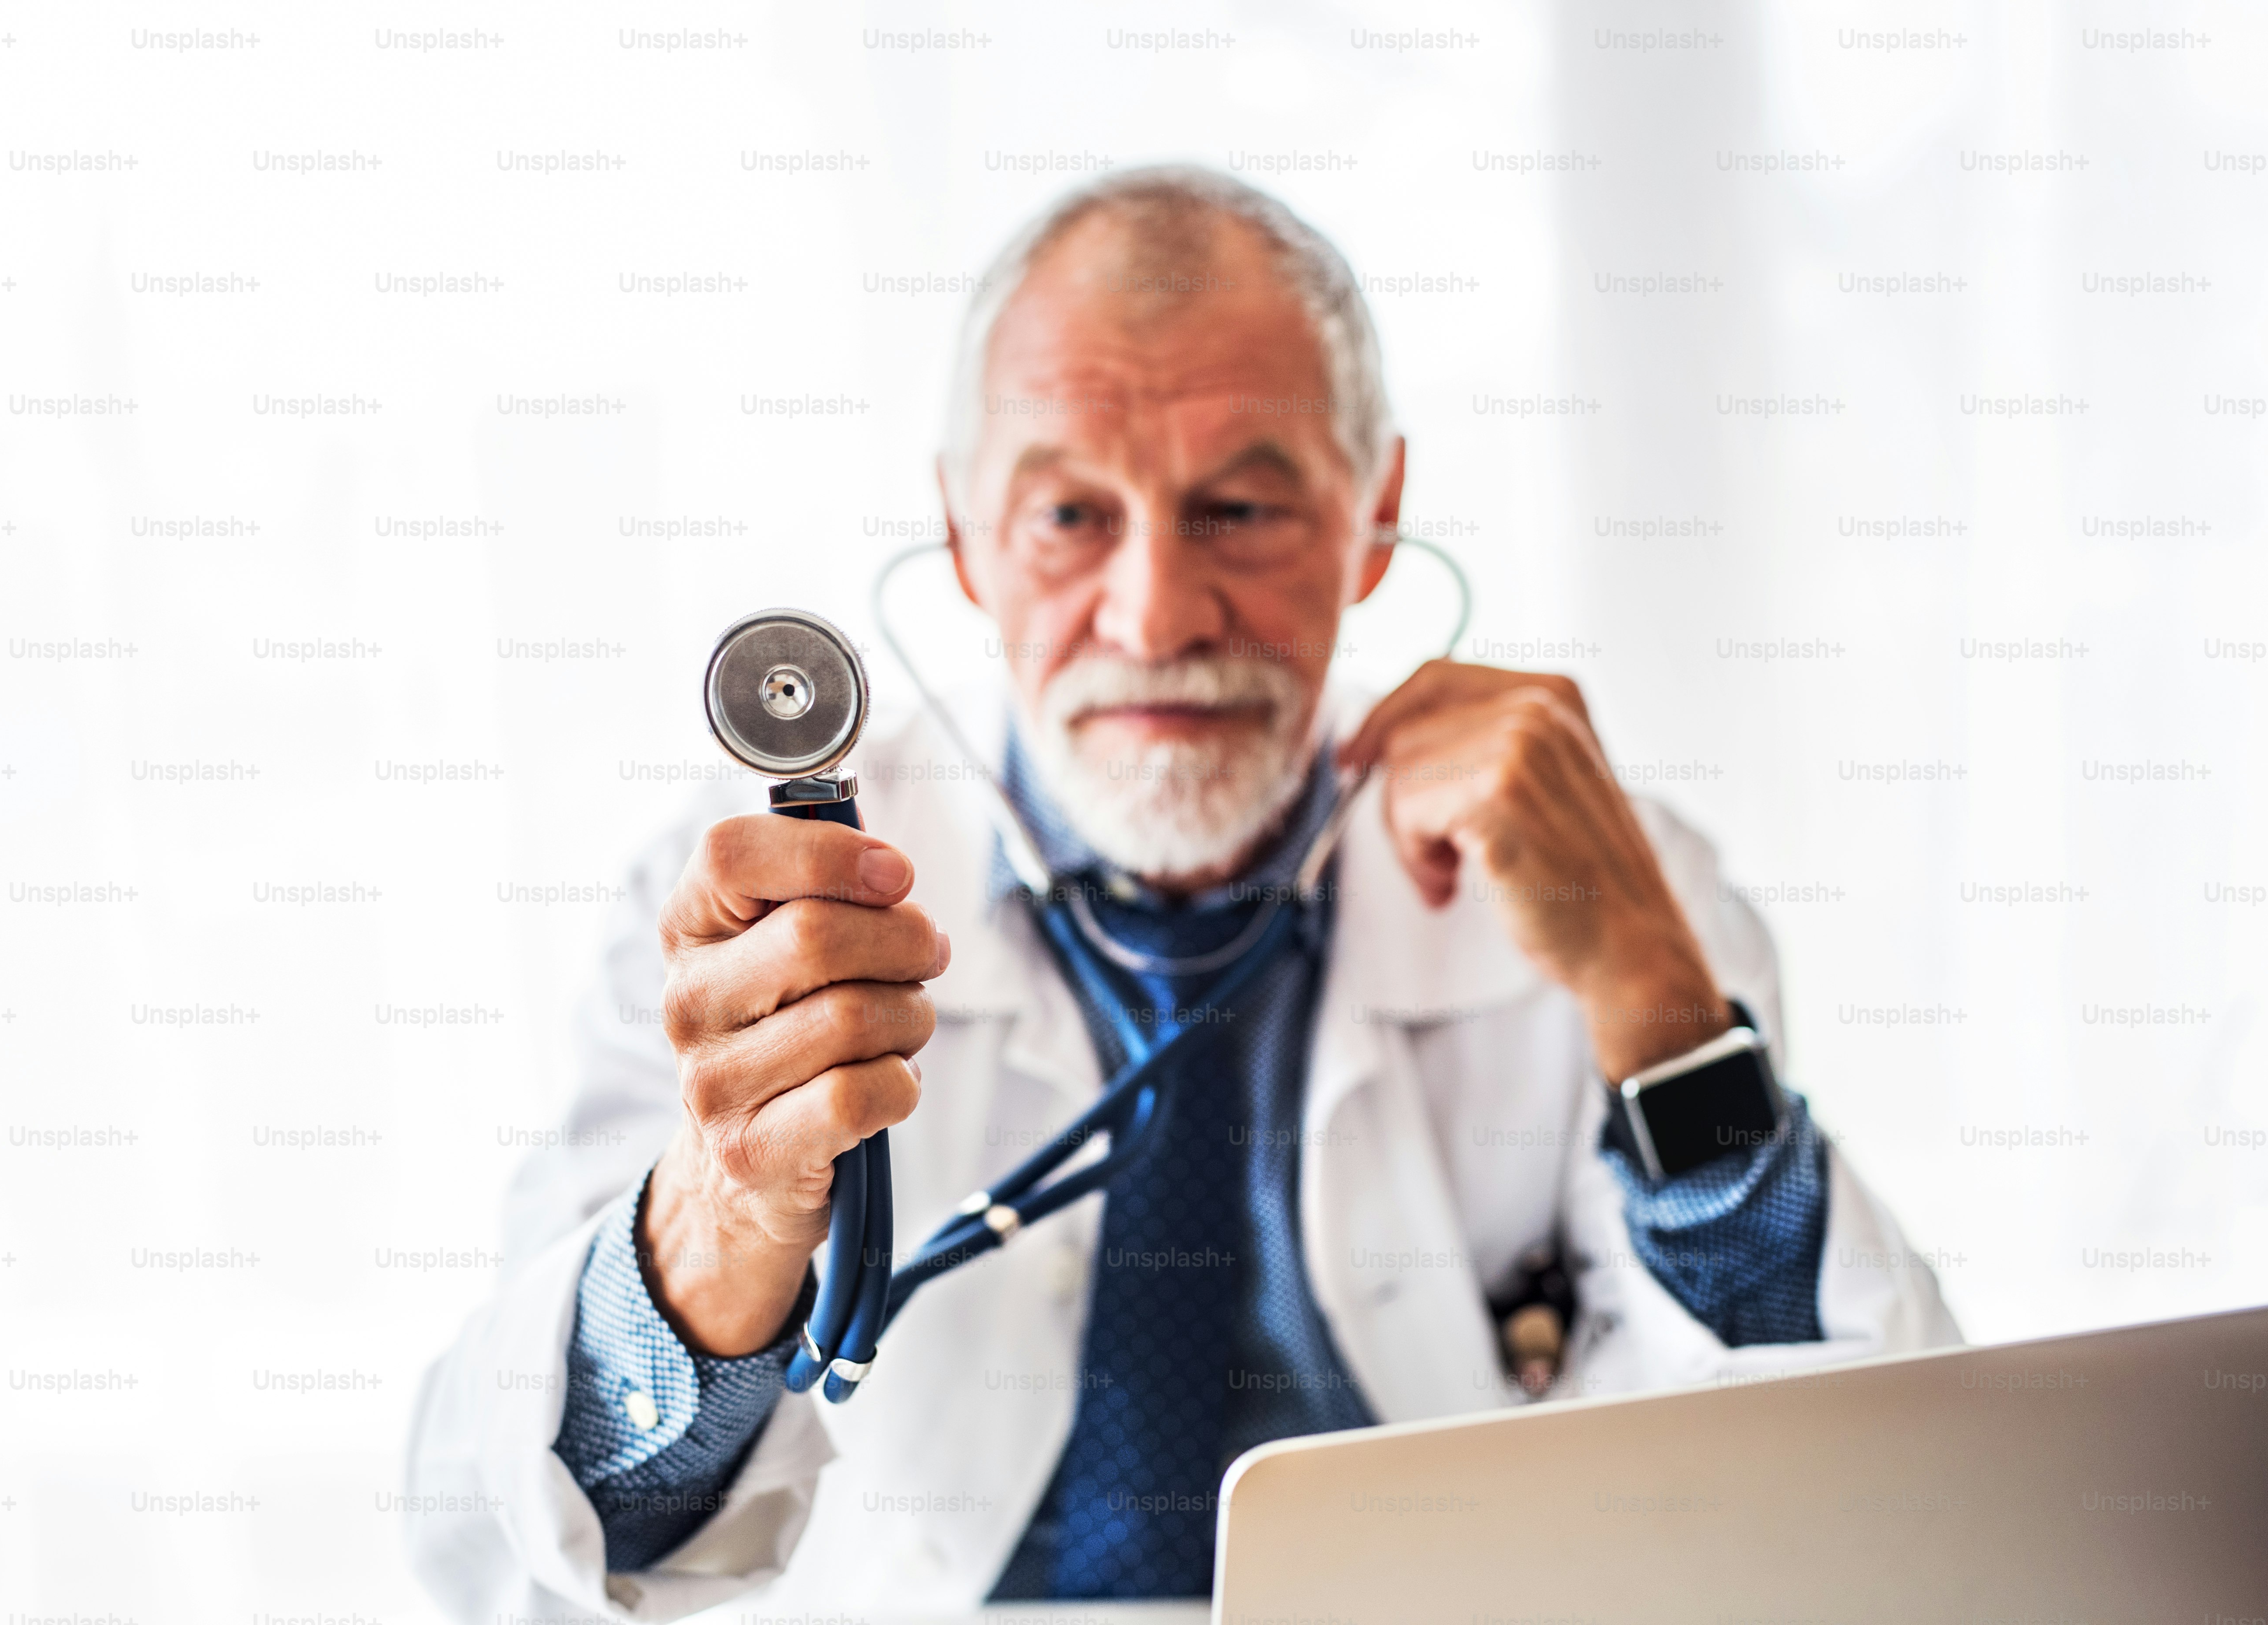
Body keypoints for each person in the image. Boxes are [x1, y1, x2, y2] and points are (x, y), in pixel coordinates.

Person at [403, 165, 1957, 1620]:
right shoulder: (759, 909)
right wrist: (720, 1225)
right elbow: (503, 1541)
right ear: (965, 536)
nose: (1155, 610)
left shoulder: (1608, 877)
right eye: (1073, 515)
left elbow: (1871, 1519)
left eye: (1243, 508)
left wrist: (1653, 1003)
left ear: (1376, 516)